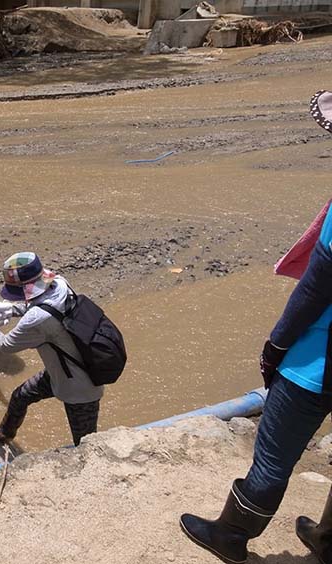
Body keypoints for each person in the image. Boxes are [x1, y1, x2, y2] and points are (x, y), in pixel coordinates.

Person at [180, 90, 332, 564]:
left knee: (273, 457)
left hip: (317, 362)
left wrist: (275, 346)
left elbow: (315, 289)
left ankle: (230, 535)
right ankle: (328, 542)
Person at [0, 252, 103, 447]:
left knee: (85, 442)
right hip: (62, 369)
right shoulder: (60, 283)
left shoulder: (37, 319)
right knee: (21, 395)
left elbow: (6, 344)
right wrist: (11, 309)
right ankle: (5, 433)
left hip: (80, 386)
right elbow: (41, 305)